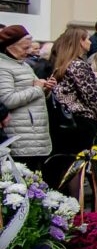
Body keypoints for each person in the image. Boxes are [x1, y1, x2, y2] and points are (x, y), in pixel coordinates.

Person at [51, 27, 97, 155]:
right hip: (82, 121)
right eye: (88, 39)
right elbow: (91, 95)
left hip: (67, 120)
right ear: (80, 41)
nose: (90, 42)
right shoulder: (79, 65)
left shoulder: (63, 63)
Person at [0, 25, 52, 170]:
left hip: (34, 135)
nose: (29, 52)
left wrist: (46, 89)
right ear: (10, 47)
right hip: (21, 136)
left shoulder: (24, 65)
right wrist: (37, 88)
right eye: (25, 48)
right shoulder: (3, 66)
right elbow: (7, 100)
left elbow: (37, 91)